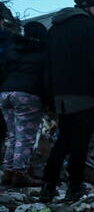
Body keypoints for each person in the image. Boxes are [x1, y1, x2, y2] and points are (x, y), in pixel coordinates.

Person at [40, 0, 94, 202]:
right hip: (87, 95)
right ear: (85, 8)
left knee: (63, 141)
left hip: (62, 98)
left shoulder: (54, 29)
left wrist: (50, 98)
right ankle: (74, 188)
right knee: (80, 143)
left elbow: (46, 65)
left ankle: (48, 186)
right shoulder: (89, 27)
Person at [0, 22, 48, 187]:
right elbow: (47, 78)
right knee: (25, 137)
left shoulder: (14, 48)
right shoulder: (42, 51)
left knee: (13, 135)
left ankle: (8, 172)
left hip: (6, 93)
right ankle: (20, 173)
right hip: (27, 94)